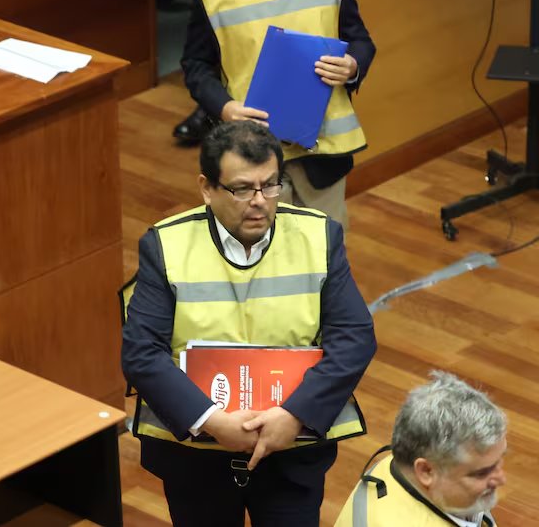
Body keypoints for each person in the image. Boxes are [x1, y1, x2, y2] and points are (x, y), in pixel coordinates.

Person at [121, 120, 377, 527]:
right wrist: (211, 421)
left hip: (290, 451)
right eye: (241, 189)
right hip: (195, 460)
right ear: (207, 188)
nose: (259, 201)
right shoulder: (165, 245)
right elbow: (142, 353)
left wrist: (294, 414)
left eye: (270, 185)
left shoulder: (319, 236)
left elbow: (355, 338)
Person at [179, 0, 376, 228]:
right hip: (251, 157)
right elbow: (196, 64)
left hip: (322, 157)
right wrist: (225, 108)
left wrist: (353, 65)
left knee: (326, 252)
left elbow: (360, 40)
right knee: (262, 255)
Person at [335, 371, 507, 527]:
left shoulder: (400, 465)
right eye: (481, 473)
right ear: (426, 471)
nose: (501, 479)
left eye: (499, 460)